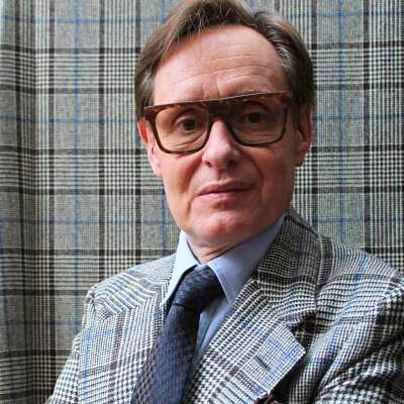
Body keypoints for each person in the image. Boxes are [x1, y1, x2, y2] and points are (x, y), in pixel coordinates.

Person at [48, 0, 404, 403]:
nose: (219, 152)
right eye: (187, 123)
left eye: (253, 116)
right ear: (152, 147)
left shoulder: (375, 307)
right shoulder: (110, 302)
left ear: (301, 131)